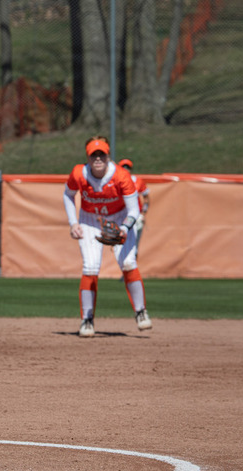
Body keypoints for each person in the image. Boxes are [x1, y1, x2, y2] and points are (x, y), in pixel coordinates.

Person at [63, 136, 152, 338]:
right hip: (90, 219)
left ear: (108, 155)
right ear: (88, 157)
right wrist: (73, 222)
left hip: (120, 217)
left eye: (101, 154)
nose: (97, 159)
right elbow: (68, 194)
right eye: (93, 155)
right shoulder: (79, 173)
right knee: (90, 266)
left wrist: (124, 228)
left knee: (128, 262)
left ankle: (140, 312)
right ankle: (87, 320)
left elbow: (133, 210)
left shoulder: (121, 176)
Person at [117, 158, 150, 254]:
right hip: (121, 215)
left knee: (134, 246)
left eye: (128, 167)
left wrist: (143, 213)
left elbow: (146, 198)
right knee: (121, 243)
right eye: (123, 167)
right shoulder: (115, 181)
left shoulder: (137, 181)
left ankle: (132, 265)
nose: (125, 169)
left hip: (135, 216)